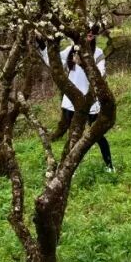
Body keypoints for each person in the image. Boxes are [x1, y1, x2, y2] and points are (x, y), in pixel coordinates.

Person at [40, 25, 114, 173]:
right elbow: (52, 61)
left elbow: (100, 74)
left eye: (93, 32)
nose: (90, 34)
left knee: (98, 135)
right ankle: (69, 169)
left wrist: (84, 64)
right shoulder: (70, 50)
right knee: (73, 135)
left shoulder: (97, 52)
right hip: (71, 100)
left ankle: (109, 165)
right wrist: (41, 46)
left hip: (90, 100)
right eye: (87, 31)